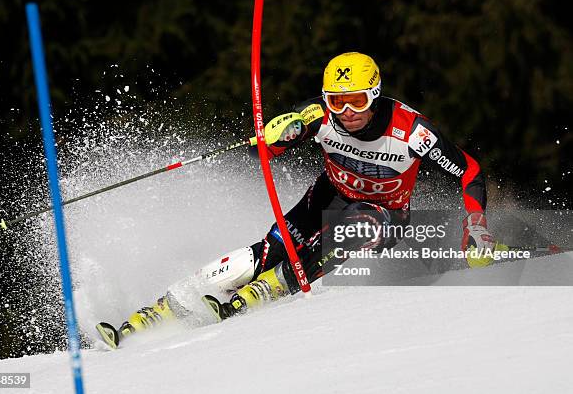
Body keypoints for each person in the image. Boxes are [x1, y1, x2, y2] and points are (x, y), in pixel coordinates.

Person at [96, 52, 495, 348]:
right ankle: (163, 307)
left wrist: (476, 225)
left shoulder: (412, 132)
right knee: (267, 249)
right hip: (329, 194)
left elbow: (470, 172)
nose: (348, 112)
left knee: (358, 223)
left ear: (374, 95)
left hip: (385, 213)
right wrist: (276, 137)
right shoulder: (319, 117)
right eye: (337, 101)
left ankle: (271, 289)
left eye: (357, 100)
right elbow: (267, 150)